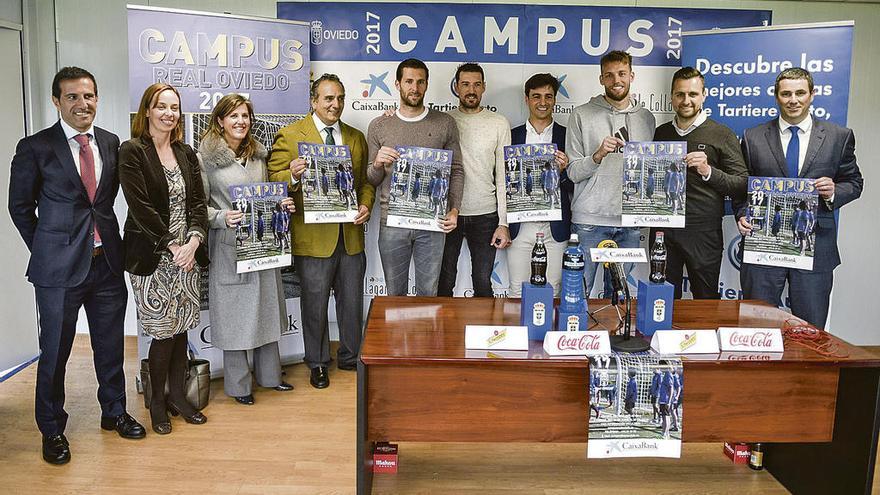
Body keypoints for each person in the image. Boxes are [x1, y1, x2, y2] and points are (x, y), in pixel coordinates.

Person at [8, 66, 145, 464]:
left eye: (88, 96)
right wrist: (48, 250)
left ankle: (114, 411)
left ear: (97, 99)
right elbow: (19, 207)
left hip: (107, 265)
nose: (82, 104)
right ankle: (52, 430)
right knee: (54, 352)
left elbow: (102, 202)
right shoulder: (35, 147)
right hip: (57, 273)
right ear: (57, 101)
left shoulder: (110, 142)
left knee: (110, 345)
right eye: (72, 97)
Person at [268, 74, 375, 389]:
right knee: (313, 304)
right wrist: (293, 174)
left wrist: (366, 205)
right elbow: (272, 177)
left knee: (352, 302)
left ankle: (351, 356)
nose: (336, 104)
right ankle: (316, 362)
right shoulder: (290, 135)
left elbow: (365, 183)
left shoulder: (355, 137)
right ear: (314, 101)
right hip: (313, 239)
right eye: (329, 98)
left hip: (351, 236)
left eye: (340, 98)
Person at [736, 68, 863, 329]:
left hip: (816, 247)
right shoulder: (753, 137)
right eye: (786, 94)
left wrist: (834, 192)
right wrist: (741, 213)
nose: (793, 99)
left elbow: (854, 182)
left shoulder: (839, 136)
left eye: (800, 93)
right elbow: (741, 187)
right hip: (764, 247)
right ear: (776, 96)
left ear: (812, 95)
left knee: (810, 330)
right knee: (756, 327)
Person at [119, 83, 209, 434]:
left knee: (183, 326)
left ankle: (179, 398)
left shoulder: (186, 152)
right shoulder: (132, 152)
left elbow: (198, 203)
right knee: (162, 332)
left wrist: (194, 240)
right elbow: (139, 207)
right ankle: (157, 401)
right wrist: (173, 246)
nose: (168, 113)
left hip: (188, 255)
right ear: (147, 111)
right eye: (161, 106)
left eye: (174, 107)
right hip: (153, 257)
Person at [198, 93, 295, 405]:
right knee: (235, 316)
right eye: (234, 116)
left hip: (263, 244)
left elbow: (265, 196)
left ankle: (270, 376)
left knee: (266, 309)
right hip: (229, 247)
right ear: (220, 121)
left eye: (245, 116)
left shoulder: (257, 157)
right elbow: (198, 208)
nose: (241, 121)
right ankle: (239, 385)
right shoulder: (205, 160)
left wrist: (281, 204)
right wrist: (221, 217)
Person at [367, 58, 464, 296]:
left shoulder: (445, 123)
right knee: (394, 295)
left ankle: (425, 336)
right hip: (392, 223)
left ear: (427, 84)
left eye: (420, 82)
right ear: (398, 84)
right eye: (409, 81)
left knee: (428, 293)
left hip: (432, 223)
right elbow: (372, 178)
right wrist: (378, 163)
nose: (415, 87)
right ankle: (396, 335)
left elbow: (457, 170)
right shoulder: (380, 125)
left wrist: (454, 209)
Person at [652, 67, 748, 299]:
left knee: (705, 300)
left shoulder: (722, 134)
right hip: (663, 231)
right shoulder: (660, 133)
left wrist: (708, 171)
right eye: (680, 94)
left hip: (703, 233)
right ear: (672, 96)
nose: (686, 100)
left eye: (693, 94)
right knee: (661, 300)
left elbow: (742, 183)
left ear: (704, 95)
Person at [566, 50, 656, 298]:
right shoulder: (581, 115)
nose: (616, 80)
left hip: (629, 224)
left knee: (618, 299)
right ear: (601, 79)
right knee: (577, 294)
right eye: (610, 75)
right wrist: (596, 156)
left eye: (622, 74)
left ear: (632, 76)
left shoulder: (647, 118)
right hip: (589, 221)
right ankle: (574, 337)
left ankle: (613, 338)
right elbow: (572, 172)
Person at [438, 63, 511, 297]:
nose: (472, 90)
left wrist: (504, 223)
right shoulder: (443, 121)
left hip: (485, 215)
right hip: (449, 215)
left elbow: (503, 177)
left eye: (477, 84)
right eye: (466, 84)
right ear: (456, 87)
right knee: (444, 280)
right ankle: (444, 334)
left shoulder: (499, 123)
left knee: (482, 283)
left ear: (484, 88)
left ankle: (486, 335)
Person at [508, 73, 572, 297]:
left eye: (548, 96)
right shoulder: (511, 136)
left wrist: (564, 172)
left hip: (554, 226)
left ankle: (549, 333)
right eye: (536, 96)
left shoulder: (568, 136)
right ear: (526, 99)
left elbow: (576, 182)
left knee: (553, 291)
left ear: (555, 100)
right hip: (520, 226)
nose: (542, 102)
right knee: (517, 290)